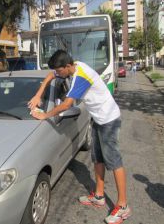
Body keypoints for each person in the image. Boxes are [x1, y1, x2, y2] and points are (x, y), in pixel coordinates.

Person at [28, 50, 131, 224]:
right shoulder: (72, 65)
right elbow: (50, 76)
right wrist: (38, 94)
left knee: (113, 161)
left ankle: (122, 206)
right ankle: (99, 195)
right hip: (99, 118)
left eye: (60, 71)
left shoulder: (80, 77)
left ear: (67, 66)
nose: (58, 74)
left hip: (109, 120)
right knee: (97, 158)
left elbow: (67, 104)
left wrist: (45, 115)